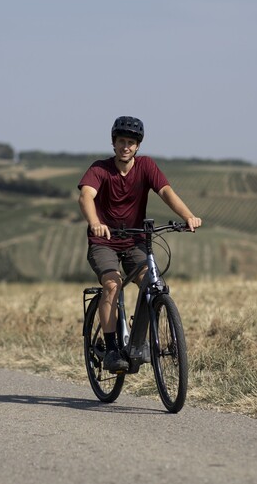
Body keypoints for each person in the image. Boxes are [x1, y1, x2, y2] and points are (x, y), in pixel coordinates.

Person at [78, 116, 202, 372]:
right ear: (114, 143)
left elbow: (166, 191)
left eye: (131, 142)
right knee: (113, 284)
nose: (126, 146)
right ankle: (112, 348)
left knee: (153, 284)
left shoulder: (146, 166)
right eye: (122, 141)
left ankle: (138, 342)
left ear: (137, 146)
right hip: (105, 240)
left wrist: (187, 216)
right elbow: (85, 196)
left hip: (135, 240)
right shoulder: (100, 169)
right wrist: (95, 222)